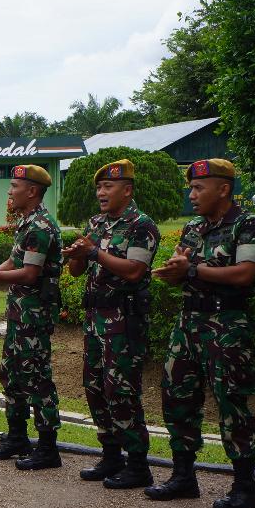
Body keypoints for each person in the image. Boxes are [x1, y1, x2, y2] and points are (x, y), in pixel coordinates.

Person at [149, 159, 255, 508]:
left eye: (199, 188)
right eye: (191, 187)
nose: (192, 194)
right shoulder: (194, 227)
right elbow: (180, 268)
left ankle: (245, 487)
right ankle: (184, 476)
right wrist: (172, 273)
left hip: (226, 324)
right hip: (189, 322)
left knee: (231, 403)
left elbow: (246, 274)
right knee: (177, 396)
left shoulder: (247, 225)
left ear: (224, 189)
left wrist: (193, 269)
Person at [62, 160, 160, 488]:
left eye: (108, 187)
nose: (101, 193)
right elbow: (77, 271)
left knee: (121, 389)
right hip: (95, 319)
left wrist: (93, 253)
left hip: (123, 320)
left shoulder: (141, 226)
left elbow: (134, 270)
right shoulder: (98, 223)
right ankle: (110, 454)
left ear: (127, 190)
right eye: (99, 188)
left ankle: (137, 463)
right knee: (94, 386)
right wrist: (78, 253)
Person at [0, 165, 63, 471]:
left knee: (36, 377)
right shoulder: (26, 224)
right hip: (20, 313)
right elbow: (15, 260)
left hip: (34, 314)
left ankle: (47, 447)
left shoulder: (41, 226)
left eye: (14, 185)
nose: (9, 191)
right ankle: (17, 436)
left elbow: (31, 273)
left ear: (31, 191)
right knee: (12, 372)